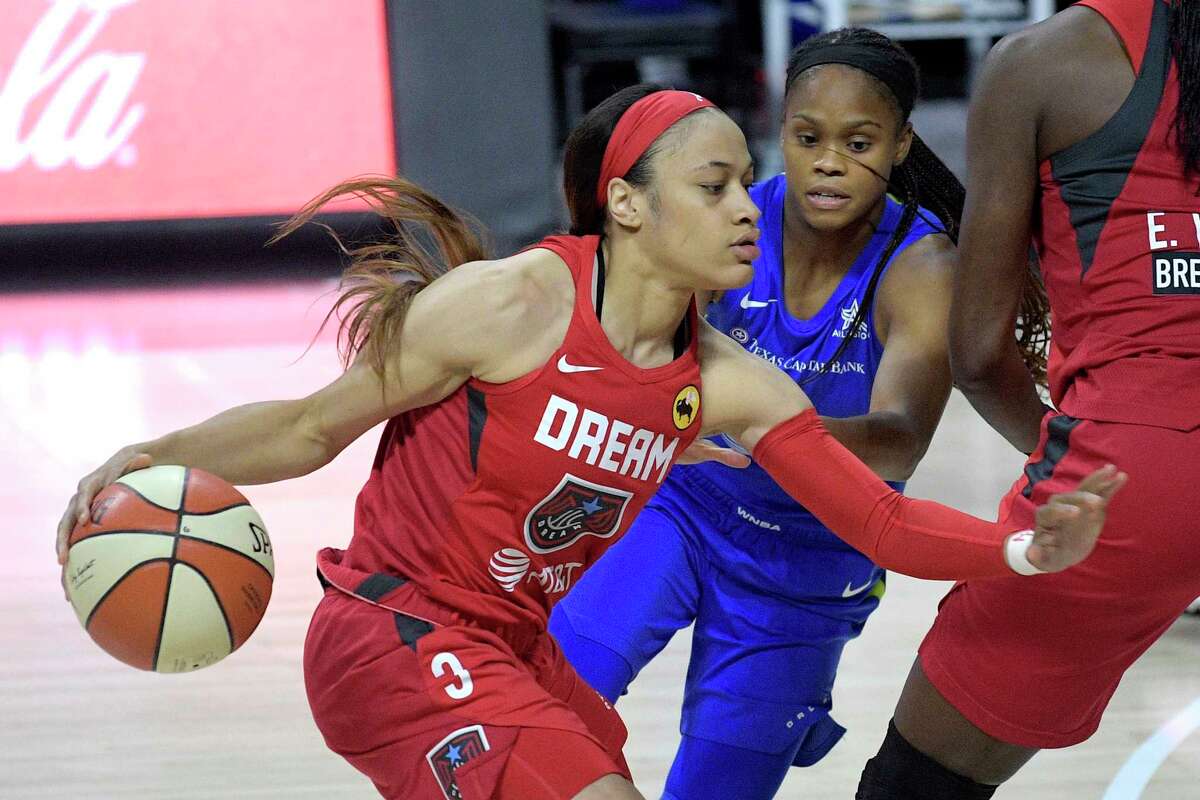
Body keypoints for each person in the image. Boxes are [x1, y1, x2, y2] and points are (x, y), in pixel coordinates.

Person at [56, 86, 1120, 800]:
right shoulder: (513, 303)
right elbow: (307, 425)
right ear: (625, 203)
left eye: (745, 182)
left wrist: (1023, 547)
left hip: (512, 649)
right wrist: (148, 453)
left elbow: (877, 516)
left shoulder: (728, 383)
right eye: (714, 186)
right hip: (395, 630)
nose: (749, 208)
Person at [549, 29, 1049, 800]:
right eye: (806, 137)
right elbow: (635, 334)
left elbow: (899, 442)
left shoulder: (921, 267)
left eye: (858, 142)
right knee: (548, 702)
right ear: (778, 131)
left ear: (901, 142)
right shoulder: (734, 218)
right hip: (683, 510)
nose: (827, 161)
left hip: (809, 564)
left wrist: (761, 429)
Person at [855, 1, 1200, 797]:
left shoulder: (1043, 62)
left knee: (916, 784)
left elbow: (978, 355)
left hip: (1134, 472)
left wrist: (1079, 456)